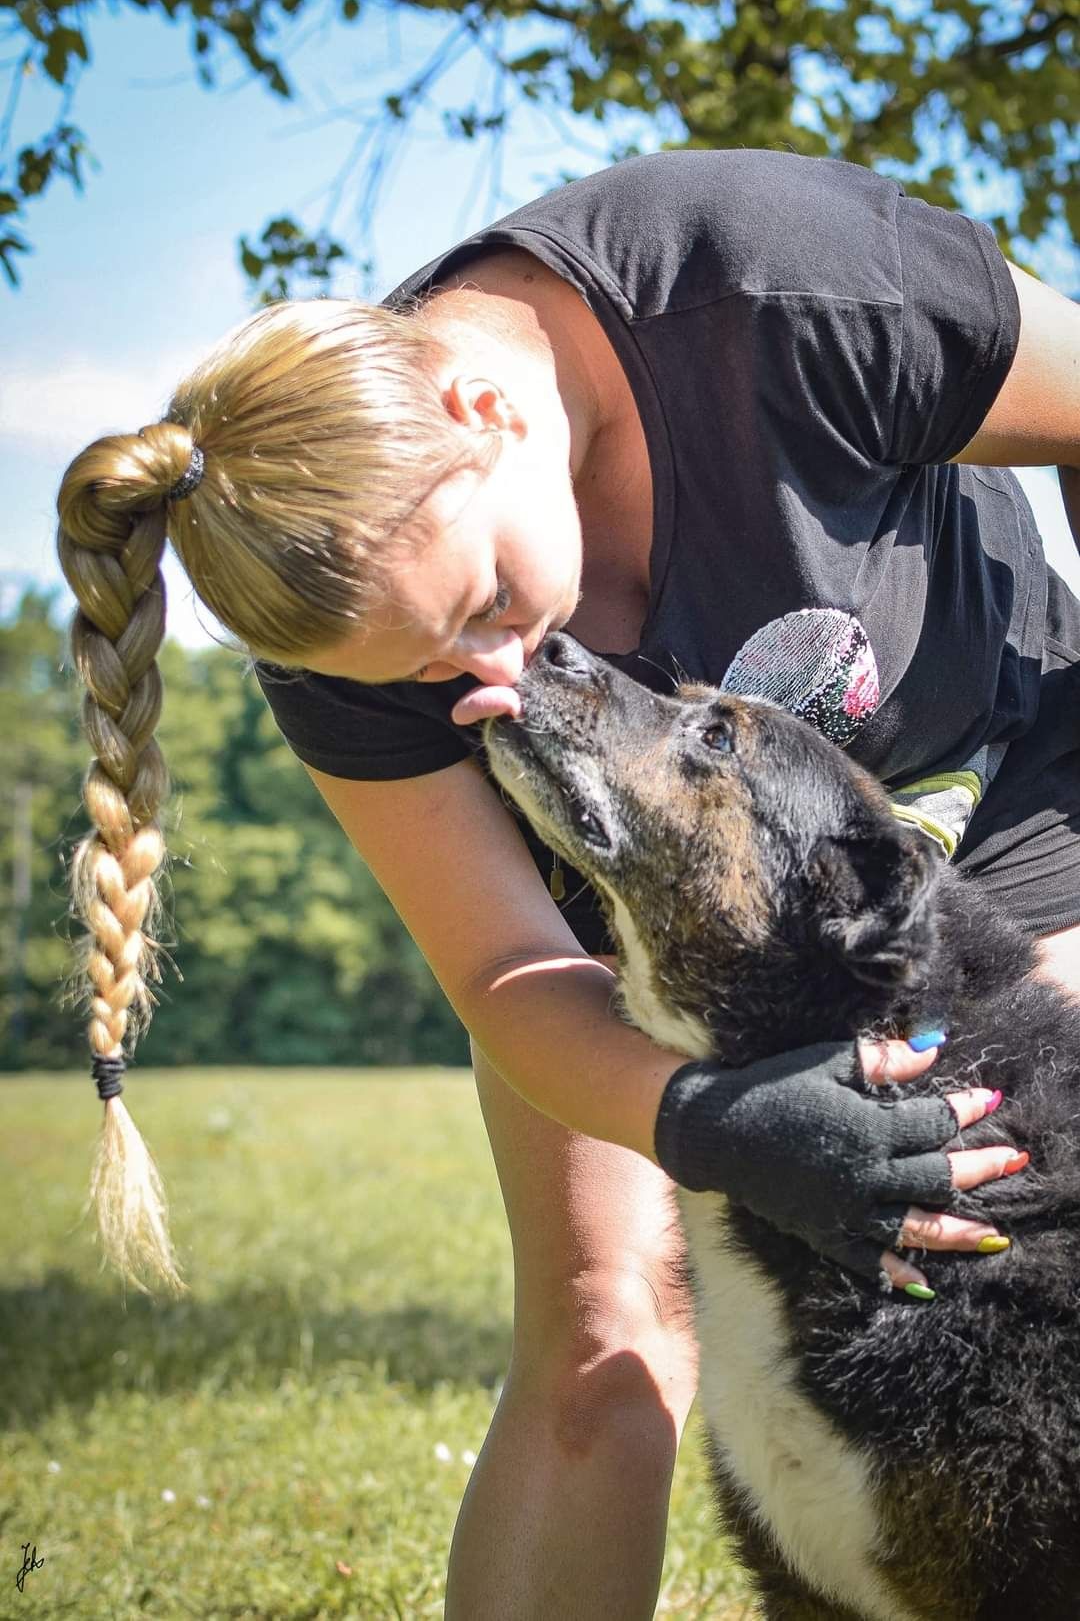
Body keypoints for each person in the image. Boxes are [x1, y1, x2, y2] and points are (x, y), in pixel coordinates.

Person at [57, 148, 1080, 1618]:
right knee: (605, 1328)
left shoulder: (776, 281)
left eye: (479, 605)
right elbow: (502, 971)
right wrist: (702, 1118)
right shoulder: (342, 603)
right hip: (650, 913)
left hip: (1004, 784)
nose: (482, 680)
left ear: (484, 411)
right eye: (428, 672)